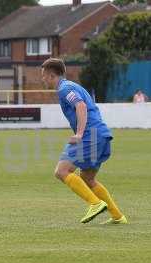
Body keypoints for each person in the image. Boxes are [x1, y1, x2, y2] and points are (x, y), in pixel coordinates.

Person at [41, 58, 127, 224]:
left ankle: (95, 203)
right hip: (101, 134)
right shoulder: (71, 86)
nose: (42, 79)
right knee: (88, 178)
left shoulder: (64, 89)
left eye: (44, 76)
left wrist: (79, 134)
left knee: (62, 171)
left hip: (89, 135)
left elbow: (80, 106)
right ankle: (117, 216)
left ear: (51, 75)